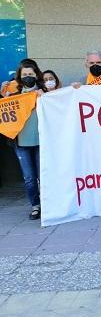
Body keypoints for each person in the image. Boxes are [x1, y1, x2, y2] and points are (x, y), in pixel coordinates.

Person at [10, 60, 47, 220]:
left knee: (43, 175)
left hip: (42, 142)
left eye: (30, 74)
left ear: (36, 75)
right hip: (21, 143)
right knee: (29, 178)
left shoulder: (44, 93)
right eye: (24, 75)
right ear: (19, 76)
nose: (27, 77)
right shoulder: (13, 97)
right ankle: (35, 206)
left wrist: (44, 96)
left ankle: (48, 205)